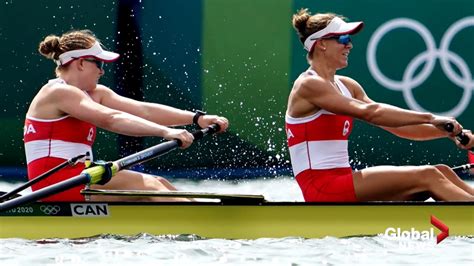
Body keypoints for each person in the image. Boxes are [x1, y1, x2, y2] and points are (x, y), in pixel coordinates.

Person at [285, 9, 473, 202]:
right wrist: (431, 118)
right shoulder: (308, 85)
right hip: (321, 188)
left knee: (442, 171)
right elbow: (372, 113)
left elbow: (400, 128)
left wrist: (450, 133)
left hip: (342, 181)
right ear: (321, 43)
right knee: (429, 176)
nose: (349, 45)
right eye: (342, 39)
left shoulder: (348, 86)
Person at [24, 29, 229, 202]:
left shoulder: (95, 94)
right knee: (150, 186)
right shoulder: (58, 92)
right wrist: (165, 132)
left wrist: (196, 119)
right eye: (99, 64)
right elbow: (110, 119)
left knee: (159, 182)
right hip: (55, 183)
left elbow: (143, 110)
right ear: (80, 63)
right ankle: (208, 231)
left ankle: (199, 222)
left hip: (80, 174)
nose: (102, 72)